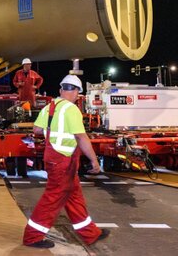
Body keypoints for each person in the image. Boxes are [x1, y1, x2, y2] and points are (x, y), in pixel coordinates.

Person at [23, 74, 109, 249]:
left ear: (62, 89)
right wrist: (94, 161)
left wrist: (54, 129)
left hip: (54, 158)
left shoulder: (50, 107)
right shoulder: (71, 109)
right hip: (63, 161)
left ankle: (90, 233)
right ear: (76, 91)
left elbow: (37, 129)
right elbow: (81, 137)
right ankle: (32, 237)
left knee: (74, 196)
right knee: (53, 198)